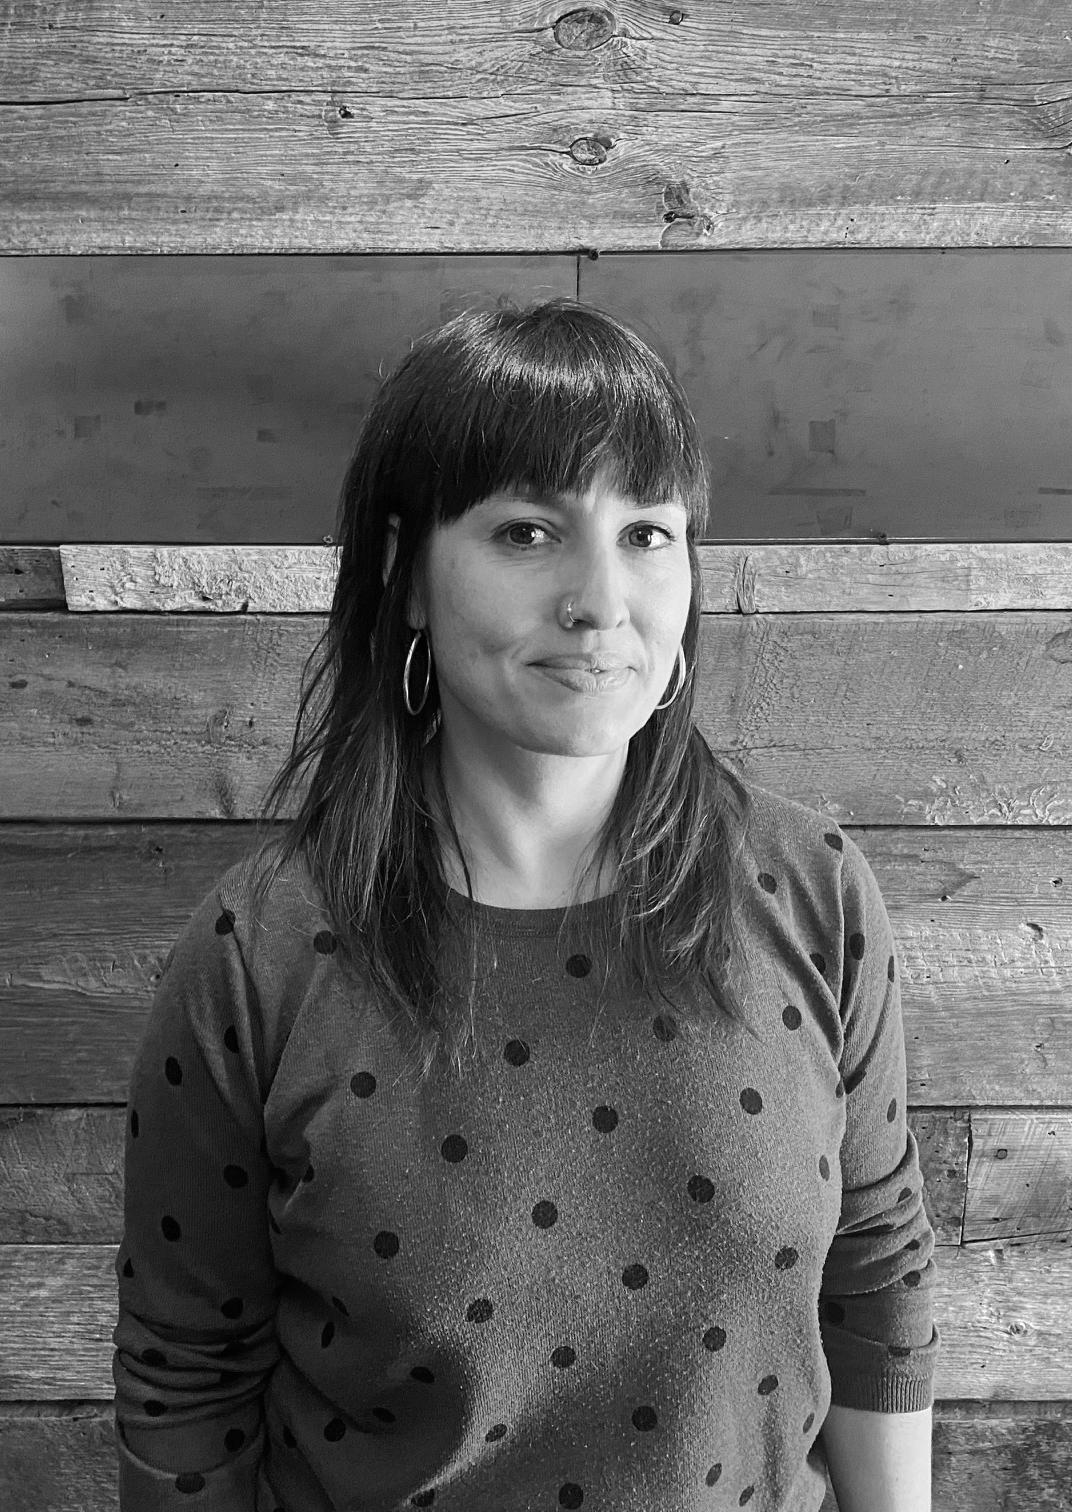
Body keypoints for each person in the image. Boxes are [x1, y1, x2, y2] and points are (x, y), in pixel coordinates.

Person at [113, 295, 940, 1512]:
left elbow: (873, 1281)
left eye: (646, 533)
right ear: (403, 575)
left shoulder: (813, 892)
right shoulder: (260, 955)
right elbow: (185, 1383)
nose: (600, 599)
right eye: (526, 532)